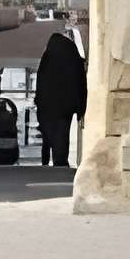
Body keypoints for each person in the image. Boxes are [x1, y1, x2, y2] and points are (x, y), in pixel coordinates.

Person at [32, 30, 86, 169]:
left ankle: (55, 158)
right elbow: (80, 81)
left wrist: (39, 102)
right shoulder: (72, 55)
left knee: (50, 131)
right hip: (66, 105)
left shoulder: (47, 58)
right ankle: (60, 159)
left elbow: (41, 82)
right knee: (63, 132)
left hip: (48, 105)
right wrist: (81, 107)